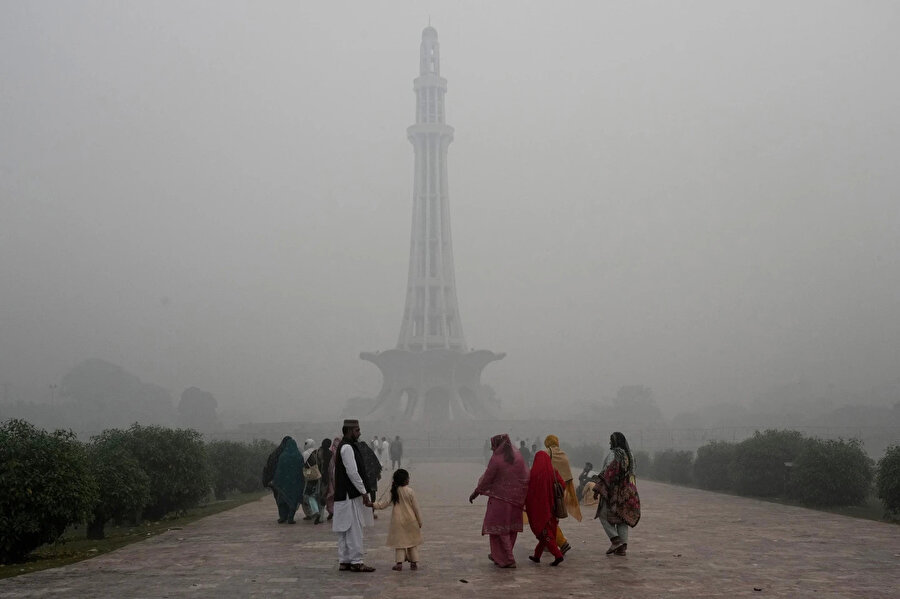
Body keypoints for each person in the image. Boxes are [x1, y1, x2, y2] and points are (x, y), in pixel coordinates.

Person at [469, 433, 529, 569]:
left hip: (500, 500)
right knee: (510, 530)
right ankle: (499, 556)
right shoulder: (517, 457)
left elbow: (487, 479)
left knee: (499, 530)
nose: (491, 449)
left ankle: (508, 558)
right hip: (516, 501)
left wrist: (476, 492)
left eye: (492, 446)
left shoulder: (496, 459)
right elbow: (525, 477)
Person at [333, 419, 376, 572]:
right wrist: (363, 491)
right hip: (349, 495)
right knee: (353, 529)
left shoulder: (343, 447)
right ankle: (356, 561)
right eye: (357, 430)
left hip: (343, 494)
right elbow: (352, 472)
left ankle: (344, 560)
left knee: (344, 529)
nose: (359, 433)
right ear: (350, 431)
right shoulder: (347, 448)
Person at [593, 431, 641, 556]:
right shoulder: (630, 455)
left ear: (615, 442)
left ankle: (615, 541)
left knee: (603, 515)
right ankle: (622, 548)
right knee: (622, 518)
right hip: (628, 492)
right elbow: (633, 473)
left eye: (611, 440)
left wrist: (598, 488)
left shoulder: (614, 455)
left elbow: (607, 473)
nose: (609, 442)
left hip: (612, 491)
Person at [374, 468, 423, 571]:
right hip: (411, 520)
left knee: (400, 544)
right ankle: (413, 562)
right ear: (405, 480)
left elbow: (384, 504)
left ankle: (399, 563)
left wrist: (373, 505)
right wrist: (420, 521)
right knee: (412, 543)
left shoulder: (394, 492)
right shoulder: (410, 491)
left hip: (398, 522)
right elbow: (416, 508)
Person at [543, 435, 583, 555]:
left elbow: (542, 472)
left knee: (547, 520)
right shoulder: (563, 455)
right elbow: (567, 477)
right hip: (560, 492)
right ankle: (548, 543)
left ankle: (562, 543)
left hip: (549, 492)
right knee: (553, 518)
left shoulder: (546, 453)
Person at [524, 451, 565, 566]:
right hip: (552, 507)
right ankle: (537, 556)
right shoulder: (553, 471)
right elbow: (563, 485)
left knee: (545, 533)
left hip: (538, 509)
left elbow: (528, 492)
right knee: (547, 532)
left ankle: (558, 555)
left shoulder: (533, 474)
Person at [271, 437, 304, 524]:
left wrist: (276, 480)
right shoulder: (299, 456)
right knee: (293, 499)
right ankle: (290, 518)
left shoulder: (283, 456)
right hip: (295, 483)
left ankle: (282, 517)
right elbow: (301, 470)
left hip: (284, 483)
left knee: (282, 499)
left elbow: (279, 470)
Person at [304, 438, 332, 524]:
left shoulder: (316, 453)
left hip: (315, 477)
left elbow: (308, 466)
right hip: (325, 478)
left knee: (311, 495)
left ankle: (316, 511)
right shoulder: (330, 454)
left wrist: (307, 475)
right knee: (322, 497)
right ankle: (321, 517)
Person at [263, 436, 291, 502]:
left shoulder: (275, 453)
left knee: (279, 500)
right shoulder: (289, 454)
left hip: (275, 482)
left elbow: (269, 466)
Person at [325, 435, 342, 521]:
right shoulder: (337, 452)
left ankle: (333, 511)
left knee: (333, 494)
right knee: (333, 494)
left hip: (337, 476)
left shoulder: (338, 452)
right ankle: (332, 511)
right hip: (333, 476)